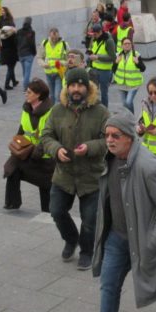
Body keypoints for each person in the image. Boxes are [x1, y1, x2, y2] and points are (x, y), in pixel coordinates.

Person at [70, 112, 156, 312]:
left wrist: (155, 239)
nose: (110, 140)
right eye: (107, 135)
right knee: (109, 286)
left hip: (145, 237)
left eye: (116, 135)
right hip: (117, 237)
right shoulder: (110, 158)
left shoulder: (148, 166)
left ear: (130, 137)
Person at [40, 67, 110, 270]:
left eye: (80, 85)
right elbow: (46, 136)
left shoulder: (101, 111)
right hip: (64, 175)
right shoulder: (57, 110)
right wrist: (56, 149)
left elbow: (110, 140)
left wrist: (90, 147)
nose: (76, 89)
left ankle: (87, 251)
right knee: (56, 210)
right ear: (67, 87)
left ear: (87, 87)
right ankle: (71, 239)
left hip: (91, 175)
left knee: (90, 219)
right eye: (72, 85)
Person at [4, 79, 55, 212]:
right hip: (26, 151)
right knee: (11, 169)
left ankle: (47, 210)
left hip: (43, 156)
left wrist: (37, 152)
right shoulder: (26, 109)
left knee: (45, 183)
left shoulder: (50, 112)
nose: (26, 94)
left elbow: (48, 137)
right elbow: (21, 129)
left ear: (38, 95)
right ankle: (12, 203)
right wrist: (16, 145)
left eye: (29, 92)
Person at [112, 36, 145, 113]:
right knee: (124, 104)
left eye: (129, 43)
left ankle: (131, 119)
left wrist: (138, 63)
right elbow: (113, 70)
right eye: (125, 44)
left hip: (133, 84)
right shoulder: (118, 55)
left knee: (128, 102)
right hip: (121, 84)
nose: (127, 45)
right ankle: (129, 119)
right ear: (122, 45)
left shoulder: (136, 55)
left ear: (131, 45)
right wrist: (116, 62)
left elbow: (143, 68)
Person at [86, 23, 116, 107]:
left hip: (105, 71)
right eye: (93, 34)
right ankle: (94, 109)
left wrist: (97, 57)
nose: (93, 36)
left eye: (95, 34)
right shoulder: (94, 39)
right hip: (94, 69)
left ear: (100, 32)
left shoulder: (108, 41)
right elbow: (92, 49)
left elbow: (112, 57)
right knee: (93, 91)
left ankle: (104, 111)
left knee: (104, 93)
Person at [39, 27, 68, 103]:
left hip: (59, 73)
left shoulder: (64, 44)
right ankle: (52, 112)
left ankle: (56, 113)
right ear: (49, 35)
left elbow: (69, 60)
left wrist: (61, 62)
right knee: (51, 95)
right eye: (52, 38)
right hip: (48, 73)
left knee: (57, 95)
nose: (54, 39)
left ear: (58, 35)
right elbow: (39, 57)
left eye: (56, 38)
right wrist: (44, 64)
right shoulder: (45, 43)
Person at [17, 16, 37, 88]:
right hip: (28, 54)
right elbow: (32, 44)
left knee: (25, 72)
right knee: (27, 72)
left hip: (21, 54)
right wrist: (34, 53)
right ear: (30, 23)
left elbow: (16, 42)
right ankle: (26, 87)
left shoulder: (19, 31)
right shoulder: (31, 32)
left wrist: (18, 51)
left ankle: (26, 84)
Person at [0, 24, 19, 90]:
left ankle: (14, 81)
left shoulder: (1, 36)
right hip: (12, 53)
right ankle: (6, 84)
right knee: (10, 68)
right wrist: (15, 32)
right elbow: (16, 42)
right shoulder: (12, 35)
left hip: (5, 54)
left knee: (10, 67)